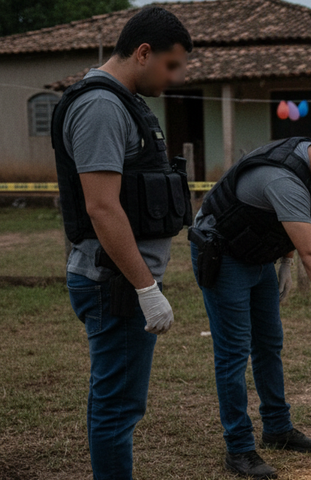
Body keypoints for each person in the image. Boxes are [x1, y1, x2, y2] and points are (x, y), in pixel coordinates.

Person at [51, 7, 193, 479]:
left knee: (114, 401)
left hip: (118, 281)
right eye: (171, 66)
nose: (174, 78)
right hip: (114, 283)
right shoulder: (102, 106)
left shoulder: (122, 100)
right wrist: (146, 289)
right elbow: (102, 207)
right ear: (143, 52)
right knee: (118, 409)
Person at [189, 133, 311, 479]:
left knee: (269, 342)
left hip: (256, 253)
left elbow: (281, 222)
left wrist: (284, 261)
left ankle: (276, 428)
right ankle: (239, 449)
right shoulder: (284, 179)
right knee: (233, 352)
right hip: (223, 254)